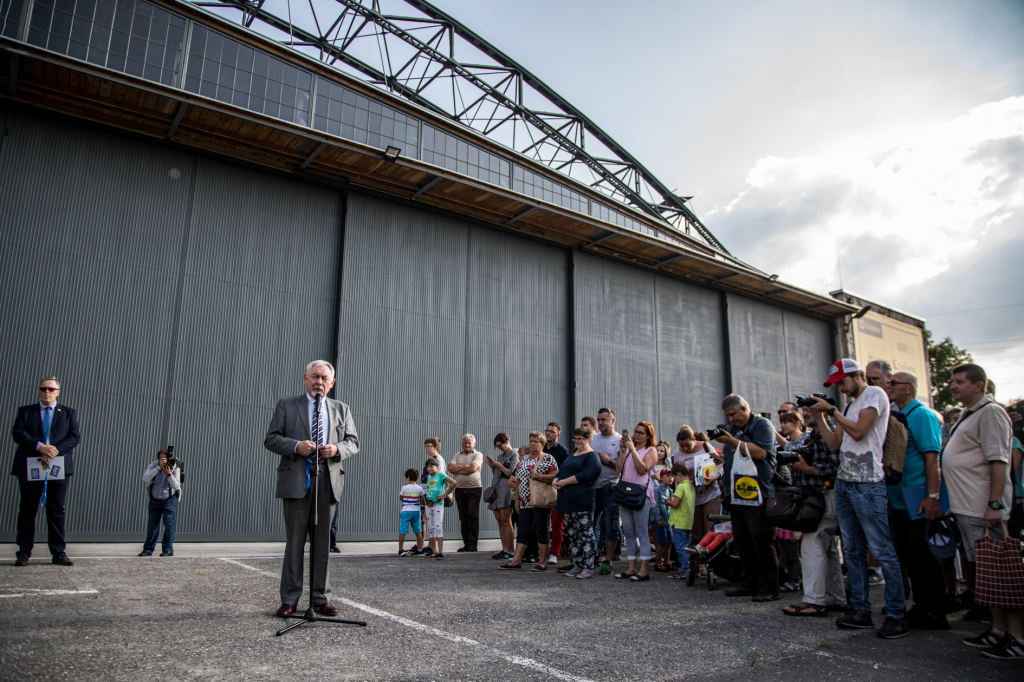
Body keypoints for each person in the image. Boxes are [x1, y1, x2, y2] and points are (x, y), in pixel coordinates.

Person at [810, 358, 907, 638]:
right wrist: (820, 416)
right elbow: (834, 442)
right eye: (836, 383)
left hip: (868, 483)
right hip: (846, 482)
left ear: (857, 375)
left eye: (843, 381)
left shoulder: (874, 395)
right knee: (852, 550)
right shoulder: (850, 405)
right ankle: (861, 609)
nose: (840, 387)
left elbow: (860, 431)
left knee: (883, 550)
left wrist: (832, 411)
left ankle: (896, 614)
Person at [263, 360, 359, 619]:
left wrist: (336, 449)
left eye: (324, 378)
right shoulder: (287, 405)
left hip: (327, 482)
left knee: (322, 542)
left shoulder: (342, 409)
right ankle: (290, 599)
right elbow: (271, 439)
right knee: (294, 542)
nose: (319, 381)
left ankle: (321, 598)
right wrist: (296, 446)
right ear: (305, 378)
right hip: (297, 481)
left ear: (332, 383)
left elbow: (353, 442)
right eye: (315, 376)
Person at [943, 364, 1022, 659]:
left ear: (979, 386)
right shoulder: (970, 412)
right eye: (953, 381)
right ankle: (998, 630)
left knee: (1002, 574)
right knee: (988, 575)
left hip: (983, 508)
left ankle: (1018, 636)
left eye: (960, 381)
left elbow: (998, 460)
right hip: (967, 508)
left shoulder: (991, 412)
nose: (953, 386)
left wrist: (995, 504)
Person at [885, 371, 949, 631]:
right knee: (908, 555)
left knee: (921, 555)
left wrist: (932, 497)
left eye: (893, 383)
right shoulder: (898, 415)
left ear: (909, 388)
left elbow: (931, 458)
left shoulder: (922, 415)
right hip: (899, 498)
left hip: (918, 497)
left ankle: (936, 611)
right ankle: (921, 605)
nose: (888, 386)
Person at [713, 394, 779, 602]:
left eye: (733, 414)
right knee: (743, 542)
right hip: (738, 493)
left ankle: (769, 586)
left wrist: (733, 441)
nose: (731, 419)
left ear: (744, 408)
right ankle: (749, 582)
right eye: (728, 416)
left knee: (761, 540)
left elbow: (761, 453)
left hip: (758, 494)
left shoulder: (762, 424)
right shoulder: (735, 429)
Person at [11, 376, 80, 567]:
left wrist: (54, 450)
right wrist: (40, 446)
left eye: (50, 389)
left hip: (58, 466)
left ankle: (58, 552)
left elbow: (74, 436)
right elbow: (18, 433)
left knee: (56, 509)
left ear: (58, 392)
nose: (46, 392)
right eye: (43, 389)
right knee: (27, 509)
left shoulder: (68, 413)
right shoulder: (25, 411)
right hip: (31, 465)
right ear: (39, 391)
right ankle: (23, 552)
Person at [782, 407, 845, 617]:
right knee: (829, 550)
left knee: (812, 544)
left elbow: (836, 468)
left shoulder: (831, 433)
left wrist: (807, 470)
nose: (806, 414)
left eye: (811, 412)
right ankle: (835, 598)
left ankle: (814, 601)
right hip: (819, 497)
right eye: (805, 412)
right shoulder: (815, 436)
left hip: (823, 496)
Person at [499, 431, 559, 571]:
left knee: (542, 530)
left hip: (541, 500)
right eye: (531, 440)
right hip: (525, 502)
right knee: (523, 531)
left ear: (542, 444)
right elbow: (518, 480)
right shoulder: (525, 459)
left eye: (536, 441)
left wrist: (539, 476)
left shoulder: (548, 458)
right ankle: (516, 561)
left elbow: (556, 474)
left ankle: (542, 562)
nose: (532, 443)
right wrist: (517, 500)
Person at [552, 426, 602, 578]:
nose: (578, 441)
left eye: (581, 439)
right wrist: (555, 479)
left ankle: (588, 566)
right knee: (573, 534)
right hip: (566, 500)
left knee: (585, 533)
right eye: (576, 439)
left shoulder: (592, 456)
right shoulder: (572, 455)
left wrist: (564, 482)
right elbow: (562, 471)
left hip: (582, 500)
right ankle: (578, 563)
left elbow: (586, 474)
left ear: (589, 439)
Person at [615, 421, 658, 581]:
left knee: (642, 533)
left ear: (648, 436)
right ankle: (631, 567)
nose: (637, 435)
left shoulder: (651, 450)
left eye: (641, 432)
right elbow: (618, 469)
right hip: (625, 493)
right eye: (635, 432)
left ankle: (644, 570)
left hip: (640, 494)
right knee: (629, 532)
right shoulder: (627, 451)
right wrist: (623, 451)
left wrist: (632, 450)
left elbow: (643, 469)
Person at [673, 428, 724, 544]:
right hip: (691, 498)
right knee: (694, 532)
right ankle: (697, 561)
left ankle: (712, 559)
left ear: (694, 440)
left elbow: (720, 464)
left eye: (688, 445)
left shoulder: (706, 447)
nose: (685, 449)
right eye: (682, 446)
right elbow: (677, 477)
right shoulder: (678, 453)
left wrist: (714, 477)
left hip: (710, 494)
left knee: (711, 529)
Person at [592, 408, 622, 575]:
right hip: (592, 490)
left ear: (613, 420)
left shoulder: (619, 440)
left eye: (604, 419)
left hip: (611, 489)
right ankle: (590, 557)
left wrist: (609, 461)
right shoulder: (593, 439)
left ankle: (608, 560)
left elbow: (622, 468)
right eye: (599, 419)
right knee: (588, 525)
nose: (601, 423)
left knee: (610, 526)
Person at [138, 449, 182, 558]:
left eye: (166, 459)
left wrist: (168, 474)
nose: (164, 461)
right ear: (158, 458)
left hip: (169, 498)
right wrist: (158, 468)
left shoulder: (175, 467)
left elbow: (176, 486)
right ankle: (148, 549)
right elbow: (145, 478)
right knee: (152, 525)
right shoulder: (154, 465)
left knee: (169, 524)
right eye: (162, 459)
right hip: (155, 498)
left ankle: (167, 549)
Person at [486, 432, 519, 560]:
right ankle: (504, 548)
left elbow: (511, 472)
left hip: (506, 487)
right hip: (497, 486)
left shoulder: (514, 454)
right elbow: (497, 473)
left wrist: (499, 465)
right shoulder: (500, 456)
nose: (499, 448)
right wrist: (492, 467)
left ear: (506, 442)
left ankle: (510, 550)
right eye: (497, 446)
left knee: (506, 520)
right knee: (500, 521)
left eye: (500, 446)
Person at [449, 434, 484, 553]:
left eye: (469, 443)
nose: (467, 445)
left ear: (474, 444)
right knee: (463, 518)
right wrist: (464, 466)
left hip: (474, 489)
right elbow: (450, 468)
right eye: (465, 443)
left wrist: (457, 469)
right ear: (462, 443)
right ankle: (467, 544)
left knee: (473, 517)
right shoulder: (457, 455)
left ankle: (473, 544)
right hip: (459, 489)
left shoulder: (478, 454)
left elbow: (473, 469)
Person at [544, 422, 571, 565]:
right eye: (547, 431)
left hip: (557, 491)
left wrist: (552, 477)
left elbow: (564, 472)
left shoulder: (563, 451)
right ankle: (542, 551)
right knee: (541, 523)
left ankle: (554, 553)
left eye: (551, 431)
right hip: (541, 491)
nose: (548, 433)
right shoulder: (541, 448)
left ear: (558, 435)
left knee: (556, 524)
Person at [417, 437, 447, 556]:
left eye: (429, 446)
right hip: (426, 493)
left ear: (436, 447)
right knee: (428, 522)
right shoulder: (430, 460)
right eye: (425, 446)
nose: (427, 448)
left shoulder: (438, 460)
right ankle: (429, 546)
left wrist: (439, 495)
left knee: (434, 523)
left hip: (433, 496)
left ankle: (433, 548)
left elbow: (437, 478)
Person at [423, 457, 457, 560]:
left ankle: (440, 552)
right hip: (428, 504)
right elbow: (429, 492)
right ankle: (434, 551)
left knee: (438, 527)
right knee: (430, 528)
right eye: (428, 467)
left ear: (437, 466)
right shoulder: (429, 479)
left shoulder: (440, 475)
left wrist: (445, 495)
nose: (429, 468)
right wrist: (425, 510)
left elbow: (454, 482)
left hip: (438, 504)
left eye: (431, 466)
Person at [666, 462, 695, 580]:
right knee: (687, 547)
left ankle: (685, 571)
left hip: (679, 522)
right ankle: (690, 569)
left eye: (674, 477)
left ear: (679, 474)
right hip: (688, 522)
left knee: (680, 548)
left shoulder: (681, 486)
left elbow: (675, 503)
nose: (674, 480)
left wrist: (667, 501)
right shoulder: (691, 486)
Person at [398, 468, 425, 557]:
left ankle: (401, 550)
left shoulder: (404, 487)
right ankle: (420, 548)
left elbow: (401, 498)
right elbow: (422, 500)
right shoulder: (420, 488)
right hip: (416, 511)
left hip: (406, 510)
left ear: (408, 478)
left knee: (403, 531)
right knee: (418, 530)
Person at [651, 469, 673, 571]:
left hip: (668, 520)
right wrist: (658, 518)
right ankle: (658, 563)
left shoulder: (671, 491)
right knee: (661, 542)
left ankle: (667, 562)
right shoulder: (657, 489)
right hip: (660, 520)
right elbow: (655, 505)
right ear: (661, 478)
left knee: (669, 542)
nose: (670, 478)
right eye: (667, 475)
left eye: (672, 476)